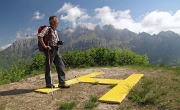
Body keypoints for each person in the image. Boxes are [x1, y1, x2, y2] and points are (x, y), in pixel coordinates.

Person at [37, 15, 70, 88]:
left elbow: (54, 40)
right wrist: (45, 46)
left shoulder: (55, 31)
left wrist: (58, 43)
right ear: (53, 22)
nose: (58, 23)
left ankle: (62, 82)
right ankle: (49, 84)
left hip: (56, 49)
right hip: (49, 50)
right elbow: (40, 36)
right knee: (49, 66)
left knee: (61, 65)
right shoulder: (47, 29)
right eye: (57, 21)